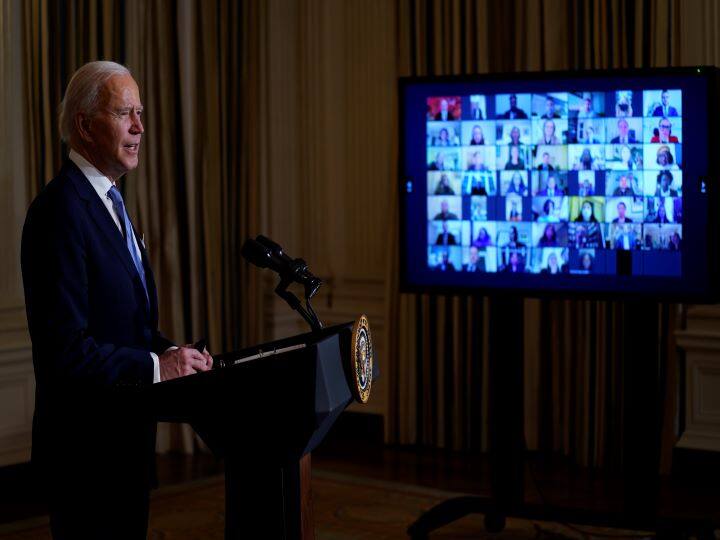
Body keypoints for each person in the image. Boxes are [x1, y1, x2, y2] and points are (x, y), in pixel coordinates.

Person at [20, 61, 214, 539]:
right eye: (124, 113)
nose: (139, 127)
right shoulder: (60, 211)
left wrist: (174, 355)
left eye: (140, 112)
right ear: (85, 125)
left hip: (125, 438)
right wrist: (155, 368)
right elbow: (66, 350)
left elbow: (128, 327)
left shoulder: (110, 203)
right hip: (86, 451)